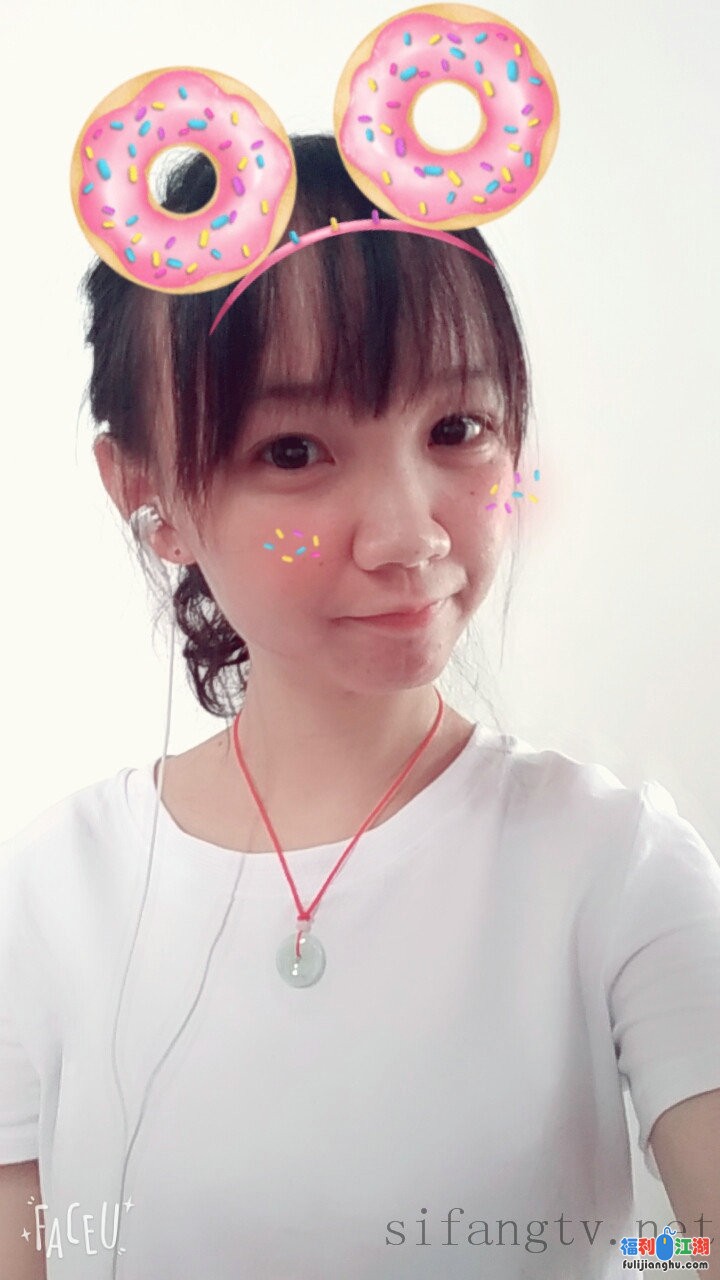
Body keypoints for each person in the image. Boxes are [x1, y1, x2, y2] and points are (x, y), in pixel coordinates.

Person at [1, 134, 719, 1280]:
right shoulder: (48, 895)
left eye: (457, 430)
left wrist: (623, 1261)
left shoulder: (617, 866)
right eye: (294, 449)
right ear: (150, 494)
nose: (408, 535)